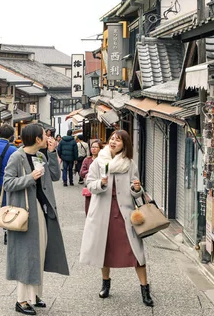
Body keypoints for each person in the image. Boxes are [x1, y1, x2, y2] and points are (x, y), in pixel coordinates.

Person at [79, 130, 153, 307]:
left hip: (124, 214)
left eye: (118, 141)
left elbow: (136, 191)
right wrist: (101, 184)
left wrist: (136, 188)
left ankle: (145, 289)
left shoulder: (129, 164)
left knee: (137, 253)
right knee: (105, 250)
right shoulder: (98, 161)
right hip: (103, 212)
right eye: (112, 139)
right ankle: (105, 283)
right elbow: (90, 183)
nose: (113, 142)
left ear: (124, 145)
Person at [4, 124, 69, 315]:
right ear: (37, 139)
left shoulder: (40, 155)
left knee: (38, 254)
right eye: (44, 135)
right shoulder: (17, 156)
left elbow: (55, 176)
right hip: (25, 213)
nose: (47, 137)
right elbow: (7, 183)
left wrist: (52, 152)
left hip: (42, 210)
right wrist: (30, 177)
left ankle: (34, 295)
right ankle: (21, 300)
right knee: (26, 256)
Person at [80, 139, 104, 215]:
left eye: (96, 147)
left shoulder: (103, 161)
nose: (93, 149)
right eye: (92, 147)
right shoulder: (87, 160)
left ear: (100, 149)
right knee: (89, 210)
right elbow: (81, 173)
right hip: (89, 187)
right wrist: (90, 172)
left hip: (101, 187)